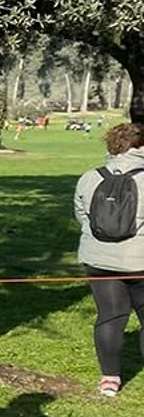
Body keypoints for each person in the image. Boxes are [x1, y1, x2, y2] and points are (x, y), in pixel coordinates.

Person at [75, 121, 144, 398]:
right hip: (140, 261)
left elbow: (82, 216)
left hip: (98, 259)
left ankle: (109, 380)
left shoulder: (89, 177)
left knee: (110, 316)